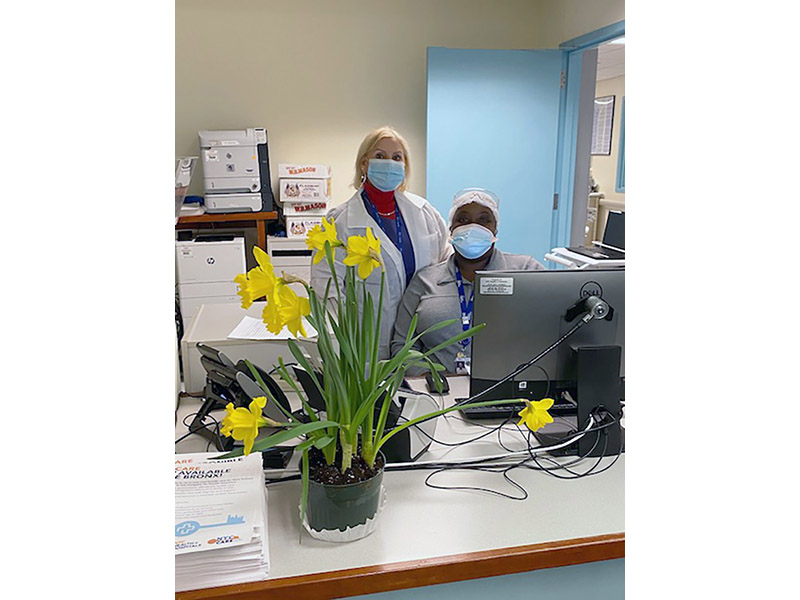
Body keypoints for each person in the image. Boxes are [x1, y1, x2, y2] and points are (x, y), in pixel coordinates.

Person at [310, 126, 451, 359]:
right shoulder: (340, 222)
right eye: (380, 156)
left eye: (397, 157)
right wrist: (343, 348)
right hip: (366, 349)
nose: (389, 163)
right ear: (363, 164)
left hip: (419, 344)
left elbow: (445, 271)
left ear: (405, 166)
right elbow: (327, 292)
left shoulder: (426, 214)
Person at [391, 188, 544, 376]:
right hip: (439, 396)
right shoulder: (425, 280)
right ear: (451, 229)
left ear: (495, 228)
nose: (473, 226)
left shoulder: (526, 270)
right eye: (462, 219)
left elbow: (550, 334)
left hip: (510, 392)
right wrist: (430, 379)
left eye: (483, 219)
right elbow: (402, 346)